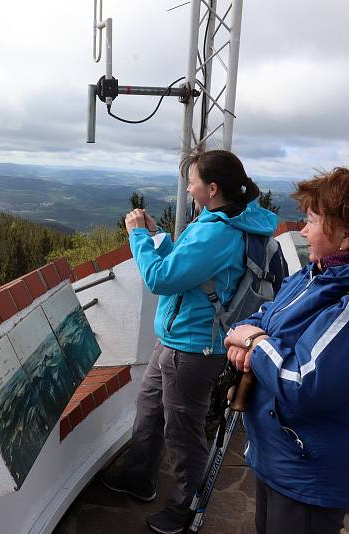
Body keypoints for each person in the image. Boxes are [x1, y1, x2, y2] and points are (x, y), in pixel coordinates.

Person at [224, 152, 349, 534]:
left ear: (346, 237)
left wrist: (254, 344)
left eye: (313, 221)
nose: (302, 230)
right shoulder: (317, 276)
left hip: (310, 472)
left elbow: (304, 383)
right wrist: (249, 336)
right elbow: (264, 317)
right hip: (279, 454)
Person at [101, 150, 278, 534]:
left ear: (212, 189)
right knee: (149, 411)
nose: (188, 186)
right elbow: (189, 270)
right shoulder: (217, 220)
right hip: (175, 338)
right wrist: (155, 239)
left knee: (183, 431)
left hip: (194, 347)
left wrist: (136, 236)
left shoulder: (218, 232)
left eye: (193, 180)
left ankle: (184, 508)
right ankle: (138, 477)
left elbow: (161, 280)